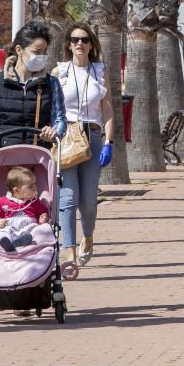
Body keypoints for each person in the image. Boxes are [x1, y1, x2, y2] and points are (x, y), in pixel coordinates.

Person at [54, 23, 115, 269]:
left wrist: (109, 142)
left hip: (92, 136)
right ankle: (68, 252)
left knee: (88, 200)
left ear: (91, 45)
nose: (79, 43)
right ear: (68, 44)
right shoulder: (59, 72)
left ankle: (87, 236)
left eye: (84, 39)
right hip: (67, 137)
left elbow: (107, 107)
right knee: (68, 198)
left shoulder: (99, 71)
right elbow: (52, 107)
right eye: (74, 39)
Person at [0, 21, 67, 151]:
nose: (42, 56)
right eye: (37, 51)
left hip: (38, 157)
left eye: (44, 51)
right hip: (3, 155)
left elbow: (60, 118)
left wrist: (54, 133)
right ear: (19, 50)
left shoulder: (52, 83)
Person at [0, 166, 49, 253]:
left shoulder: (34, 201)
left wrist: (43, 217)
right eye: (30, 186)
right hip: (10, 228)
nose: (35, 187)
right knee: (4, 230)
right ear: (16, 190)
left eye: (34, 184)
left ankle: (18, 242)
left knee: (35, 228)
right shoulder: (2, 201)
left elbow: (42, 211)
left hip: (27, 229)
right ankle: (6, 241)